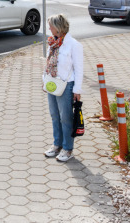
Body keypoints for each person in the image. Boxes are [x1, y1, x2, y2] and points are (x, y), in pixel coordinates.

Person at [44, 14, 84, 163]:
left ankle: (68, 149)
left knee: (66, 118)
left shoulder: (74, 45)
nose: (49, 28)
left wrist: (77, 90)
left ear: (58, 27)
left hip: (66, 86)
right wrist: (44, 80)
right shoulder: (52, 43)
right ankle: (57, 145)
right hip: (52, 84)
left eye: (51, 26)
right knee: (55, 116)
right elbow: (48, 63)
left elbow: (79, 69)